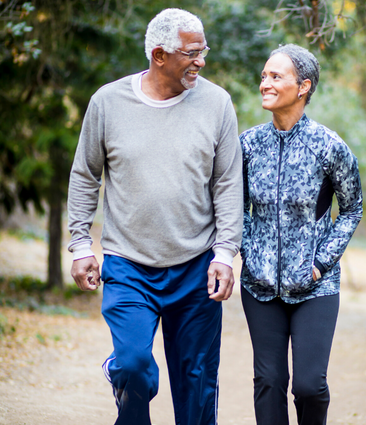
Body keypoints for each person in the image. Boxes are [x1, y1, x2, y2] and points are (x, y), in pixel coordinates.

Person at [67, 8, 243, 425]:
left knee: (198, 385)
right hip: (129, 265)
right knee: (131, 366)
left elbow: (228, 184)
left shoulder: (217, 103)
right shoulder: (108, 102)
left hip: (196, 266)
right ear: (160, 55)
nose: (202, 60)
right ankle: (121, 375)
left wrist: (224, 254)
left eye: (205, 50)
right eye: (193, 52)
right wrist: (79, 244)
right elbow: (85, 175)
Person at [239, 44, 363, 425]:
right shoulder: (247, 145)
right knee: (269, 381)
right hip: (259, 287)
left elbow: (352, 208)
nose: (265, 84)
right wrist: (250, 251)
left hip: (315, 287)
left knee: (309, 386)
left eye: (276, 76)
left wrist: (321, 262)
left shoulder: (329, 147)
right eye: (264, 76)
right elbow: (231, 208)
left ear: (303, 86)